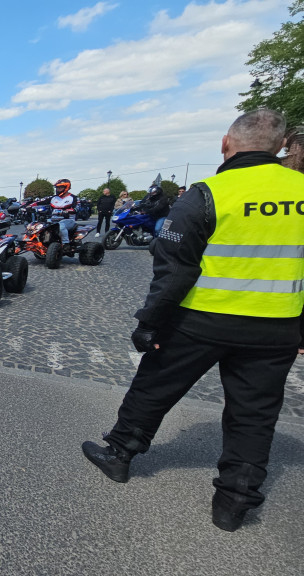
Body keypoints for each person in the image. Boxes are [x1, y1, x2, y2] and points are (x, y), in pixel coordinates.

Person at [81, 109, 304, 532]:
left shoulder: (208, 193)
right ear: (280, 146)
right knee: (254, 416)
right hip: (276, 326)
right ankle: (234, 504)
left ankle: (119, 455)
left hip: (200, 320)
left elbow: (175, 270)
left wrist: (149, 322)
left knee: (154, 386)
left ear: (226, 143)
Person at [50, 179, 77, 244]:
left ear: (66, 187)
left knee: (60, 226)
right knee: (38, 225)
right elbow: (39, 202)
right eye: (57, 187)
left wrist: (67, 211)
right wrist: (29, 206)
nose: (58, 189)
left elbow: (76, 209)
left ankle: (65, 243)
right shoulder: (53, 198)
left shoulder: (73, 197)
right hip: (53, 220)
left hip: (68, 220)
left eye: (60, 187)